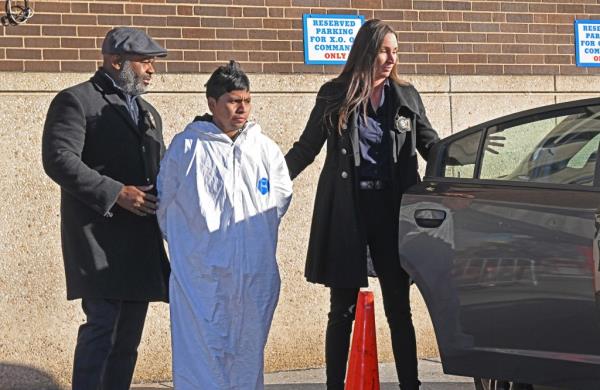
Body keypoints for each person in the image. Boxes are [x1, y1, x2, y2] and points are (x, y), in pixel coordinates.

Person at [285, 19, 440, 390]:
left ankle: (410, 385)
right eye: (385, 50)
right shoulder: (334, 94)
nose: (392, 58)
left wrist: (462, 158)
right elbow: (305, 149)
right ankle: (334, 385)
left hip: (391, 212)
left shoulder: (406, 96)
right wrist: (266, 181)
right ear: (367, 51)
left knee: (399, 310)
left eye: (396, 52)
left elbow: (430, 145)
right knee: (342, 310)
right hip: (348, 212)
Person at [42, 27, 171, 390]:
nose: (151, 70)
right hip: (99, 239)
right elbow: (59, 160)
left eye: (152, 62)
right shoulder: (76, 101)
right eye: (144, 61)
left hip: (140, 242)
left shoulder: (149, 113)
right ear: (116, 61)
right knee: (102, 329)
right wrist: (116, 193)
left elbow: (157, 168)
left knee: (128, 339)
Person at [157, 60, 293, 390]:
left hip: (252, 274)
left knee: (247, 354)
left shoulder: (264, 149)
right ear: (212, 103)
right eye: (233, 101)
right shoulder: (187, 147)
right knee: (201, 355)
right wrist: (194, 249)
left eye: (246, 101)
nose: (241, 108)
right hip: (201, 275)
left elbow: (280, 198)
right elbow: (166, 205)